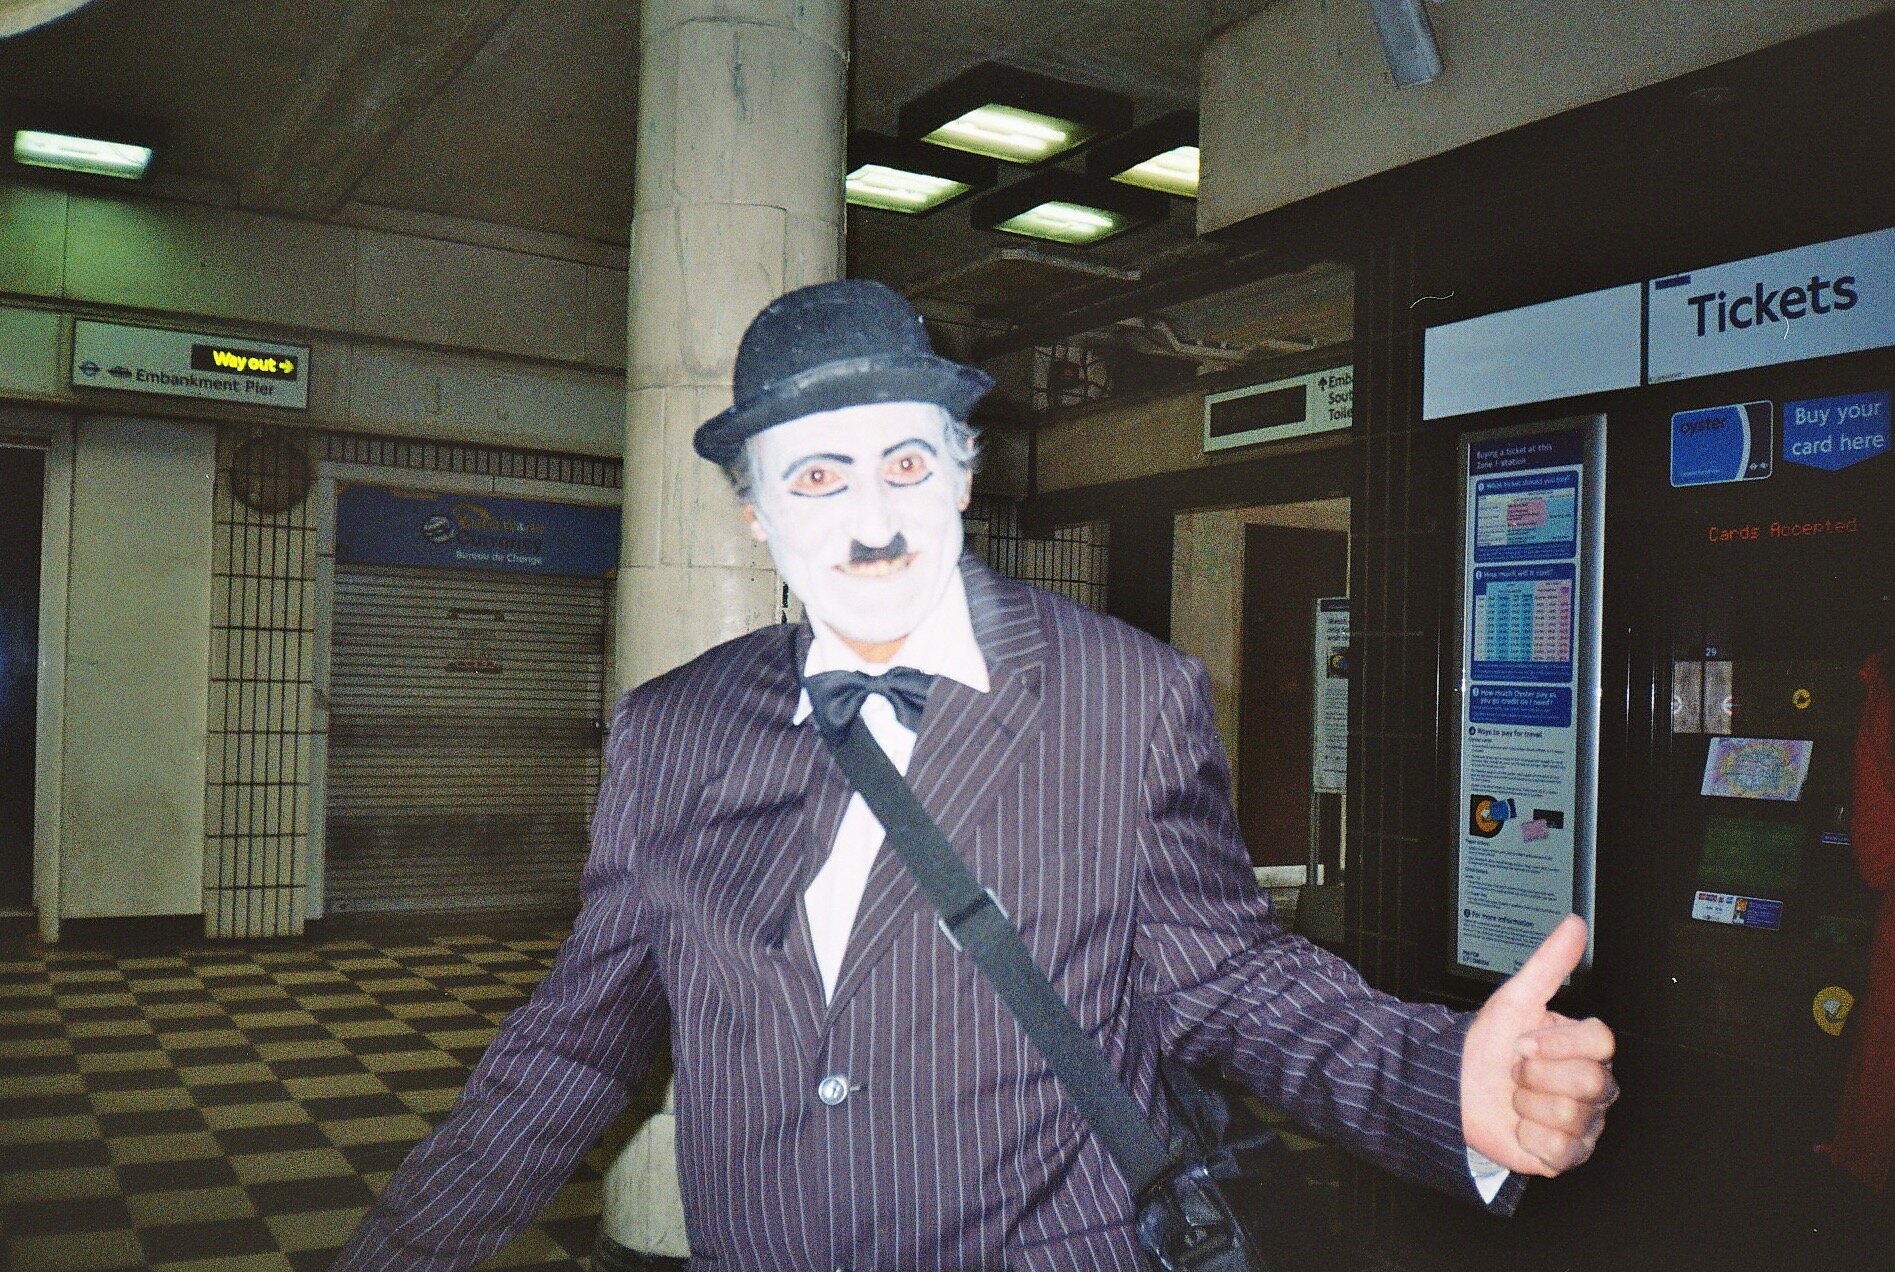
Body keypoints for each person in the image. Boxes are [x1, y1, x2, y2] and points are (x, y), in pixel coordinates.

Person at [334, 279, 1617, 1271]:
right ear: (754, 513)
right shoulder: (672, 728)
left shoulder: (1121, 692)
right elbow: (576, 1046)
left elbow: (1225, 980)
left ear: (959, 471)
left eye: (903, 463)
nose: (871, 519)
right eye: (816, 478)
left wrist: (1424, 1079)